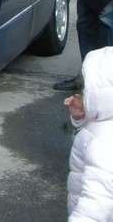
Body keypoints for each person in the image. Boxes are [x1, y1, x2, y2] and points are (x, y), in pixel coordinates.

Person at [64, 46, 113, 220]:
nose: (82, 93)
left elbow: (96, 203)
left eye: (86, 89)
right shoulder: (104, 126)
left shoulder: (103, 143)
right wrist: (81, 120)